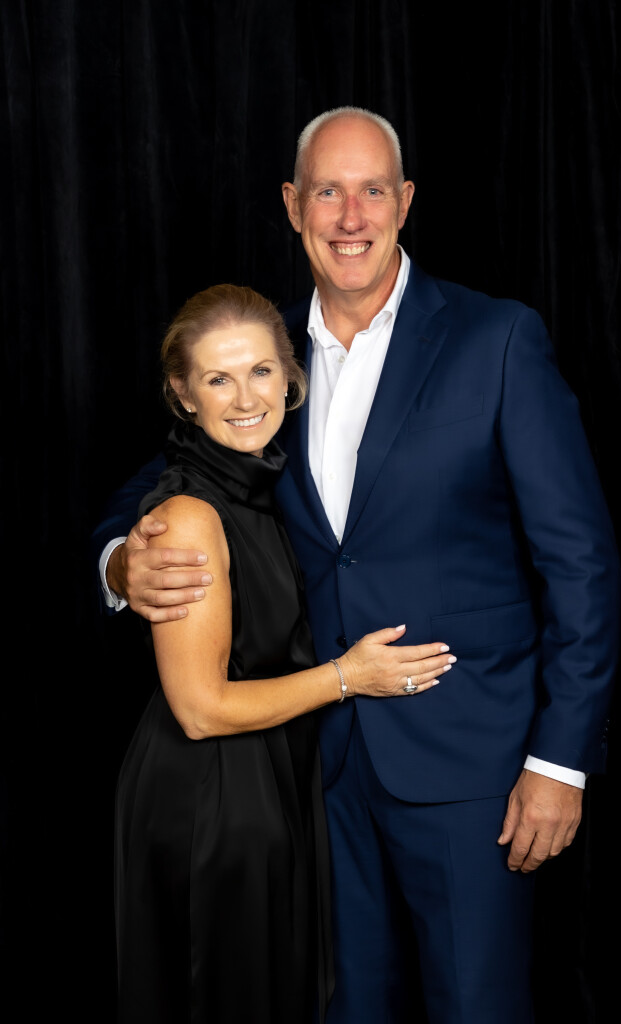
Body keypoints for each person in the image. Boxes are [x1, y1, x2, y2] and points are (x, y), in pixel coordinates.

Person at [94, 108, 621, 1023]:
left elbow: (581, 564)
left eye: (371, 190)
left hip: (473, 774)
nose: (349, 217)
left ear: (404, 202)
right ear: (292, 205)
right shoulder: (262, 356)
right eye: (327, 193)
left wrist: (560, 762)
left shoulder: (495, 340)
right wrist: (116, 565)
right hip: (313, 774)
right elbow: (159, 477)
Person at [111, 281, 453, 1024]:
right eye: (217, 379)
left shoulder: (264, 478)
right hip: (210, 800)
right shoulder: (189, 516)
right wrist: (349, 676)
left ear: (291, 377)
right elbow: (200, 710)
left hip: (271, 782)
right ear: (182, 395)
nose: (245, 398)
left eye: (261, 371)